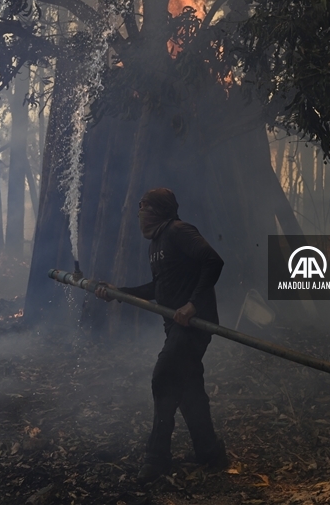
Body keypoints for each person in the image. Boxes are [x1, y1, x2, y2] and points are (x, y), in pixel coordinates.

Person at [96, 188, 228, 482]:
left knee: (164, 378)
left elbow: (213, 261)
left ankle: (156, 459)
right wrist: (120, 293)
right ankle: (210, 453)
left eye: (143, 206)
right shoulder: (156, 242)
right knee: (189, 388)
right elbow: (160, 288)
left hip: (194, 325)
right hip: (176, 327)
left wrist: (193, 304)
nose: (139, 213)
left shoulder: (179, 231)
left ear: (157, 209)